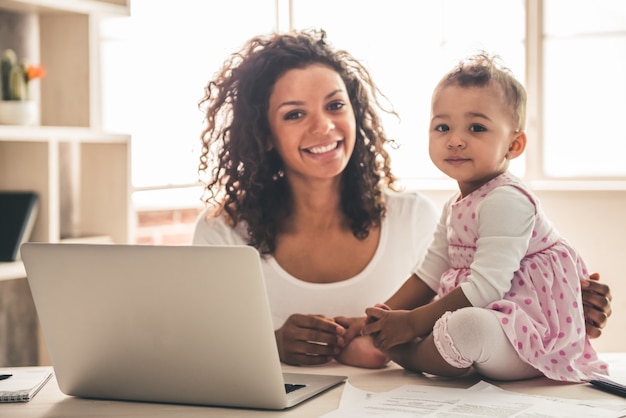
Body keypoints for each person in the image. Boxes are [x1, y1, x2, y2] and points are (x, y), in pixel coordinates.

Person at [192, 29, 612, 369]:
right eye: (295, 113)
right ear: (263, 134)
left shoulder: (414, 215)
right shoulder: (222, 232)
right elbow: (195, 349)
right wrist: (272, 345)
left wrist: (569, 307)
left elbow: (478, 305)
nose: (323, 126)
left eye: (335, 105)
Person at [362, 52, 609, 382]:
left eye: (476, 127)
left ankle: (410, 354)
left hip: (530, 329)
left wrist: (412, 324)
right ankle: (424, 348)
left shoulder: (506, 199)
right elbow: (429, 273)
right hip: (490, 315)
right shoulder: (455, 204)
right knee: (458, 322)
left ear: (514, 144)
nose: (455, 139)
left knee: (468, 327)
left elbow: (486, 287)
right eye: (442, 126)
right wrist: (386, 316)